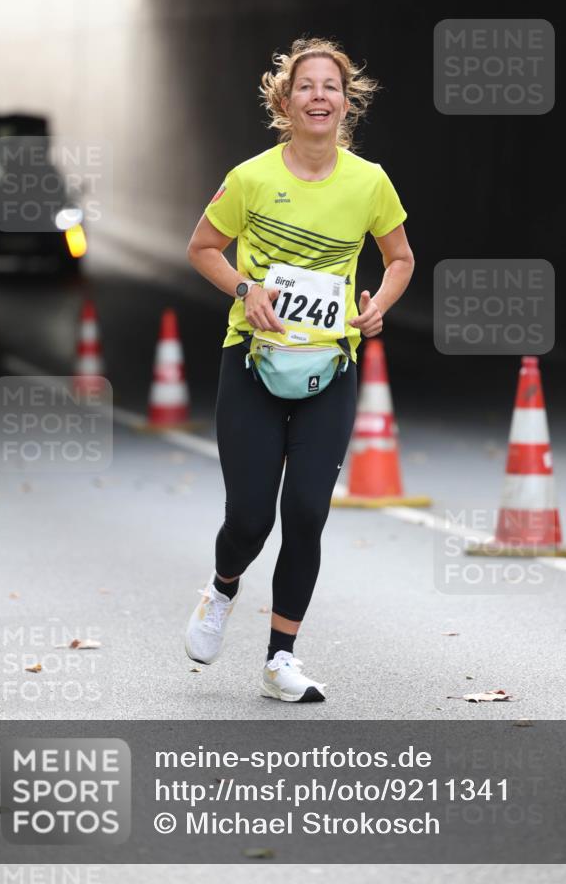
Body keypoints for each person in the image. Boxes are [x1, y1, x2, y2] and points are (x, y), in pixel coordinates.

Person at [184, 36, 414, 702]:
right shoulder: (252, 177)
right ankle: (222, 588)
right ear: (285, 102)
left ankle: (280, 658)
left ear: (347, 103)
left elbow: (399, 259)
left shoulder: (368, 181)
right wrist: (243, 290)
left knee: (307, 510)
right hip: (253, 362)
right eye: (306, 86)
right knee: (251, 518)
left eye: (331, 86)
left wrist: (376, 309)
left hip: (330, 366)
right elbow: (202, 246)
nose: (319, 96)